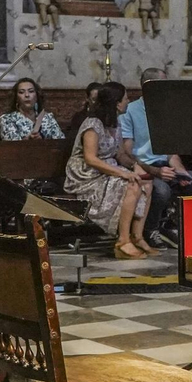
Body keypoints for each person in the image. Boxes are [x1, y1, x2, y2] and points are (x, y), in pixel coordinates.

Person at [119, 67, 192, 247]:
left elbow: (171, 152)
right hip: (144, 168)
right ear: (149, 86)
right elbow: (128, 153)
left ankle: (179, 225)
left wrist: (181, 172)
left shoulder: (167, 111)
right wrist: (155, 171)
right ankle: (150, 229)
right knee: (162, 191)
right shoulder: (130, 111)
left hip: (166, 166)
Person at [64, 80, 155, 259]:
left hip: (106, 170)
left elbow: (120, 154)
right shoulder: (93, 124)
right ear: (116, 103)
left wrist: (134, 166)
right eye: (125, 98)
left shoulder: (115, 123)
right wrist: (123, 173)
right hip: (86, 175)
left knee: (146, 182)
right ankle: (123, 242)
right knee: (131, 185)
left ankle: (137, 236)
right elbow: (90, 158)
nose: (128, 101)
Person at [0, 78, 64, 141]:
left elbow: (61, 141)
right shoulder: (7, 119)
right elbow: (11, 145)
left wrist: (43, 140)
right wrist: (28, 140)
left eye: (31, 91)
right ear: (16, 98)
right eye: (21, 92)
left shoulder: (48, 117)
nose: (27, 95)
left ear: (37, 96)